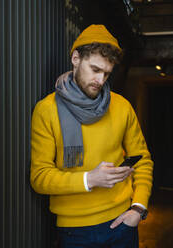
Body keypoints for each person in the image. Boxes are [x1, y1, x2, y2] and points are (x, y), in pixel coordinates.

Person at [30, 24, 153, 248]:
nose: (101, 79)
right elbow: (39, 177)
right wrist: (90, 179)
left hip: (123, 223)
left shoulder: (122, 106)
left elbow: (142, 158)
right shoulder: (46, 110)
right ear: (75, 58)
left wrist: (138, 208)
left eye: (106, 73)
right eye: (95, 69)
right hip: (75, 232)